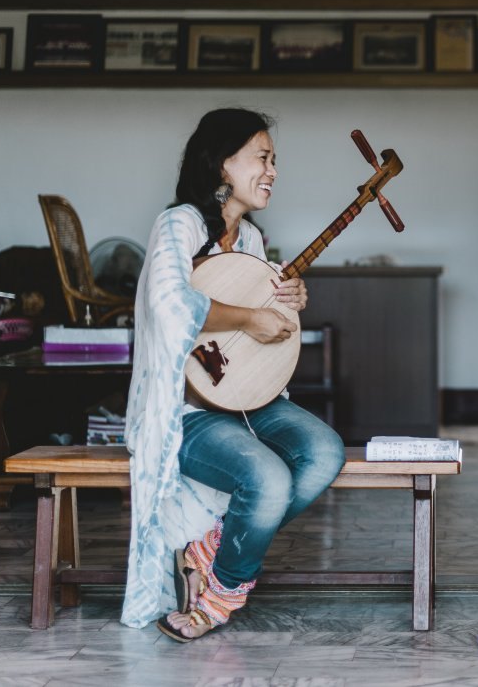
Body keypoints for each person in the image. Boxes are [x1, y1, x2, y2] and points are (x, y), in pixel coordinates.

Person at [121, 108, 346, 641]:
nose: (272, 171)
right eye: (262, 158)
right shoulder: (178, 224)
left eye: (274, 161)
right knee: (267, 478)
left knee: (324, 451)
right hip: (184, 409)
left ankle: (208, 552)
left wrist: (289, 305)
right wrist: (251, 315)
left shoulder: (251, 240)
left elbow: (254, 337)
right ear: (222, 164)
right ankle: (222, 594)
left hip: (244, 397)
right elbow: (171, 305)